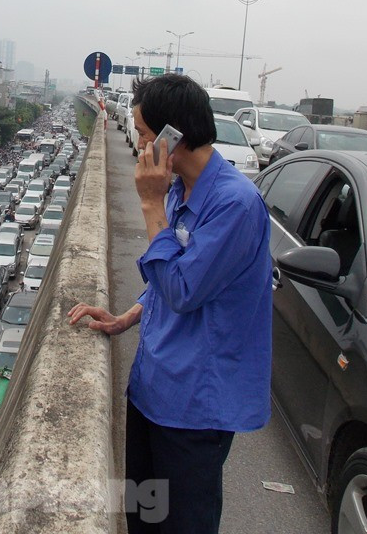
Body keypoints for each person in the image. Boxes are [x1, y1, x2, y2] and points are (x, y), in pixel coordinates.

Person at [69, 74, 272, 534]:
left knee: (182, 523)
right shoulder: (181, 189)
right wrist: (128, 316)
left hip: (194, 406)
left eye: (144, 134)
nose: (139, 144)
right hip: (152, 390)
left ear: (172, 136)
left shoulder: (234, 205)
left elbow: (182, 288)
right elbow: (170, 276)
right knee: (141, 515)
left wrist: (150, 205)